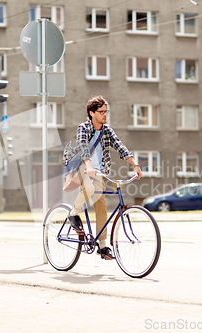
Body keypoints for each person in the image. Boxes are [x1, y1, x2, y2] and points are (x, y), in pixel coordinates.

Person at [65, 95, 142, 260]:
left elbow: (120, 146)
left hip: (99, 173)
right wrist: (89, 165)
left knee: (102, 207)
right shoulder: (83, 128)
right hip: (81, 168)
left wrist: (134, 164)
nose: (105, 114)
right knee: (91, 188)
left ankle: (102, 246)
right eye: (101, 111)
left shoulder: (107, 130)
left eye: (106, 111)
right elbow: (83, 147)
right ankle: (73, 213)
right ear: (92, 113)